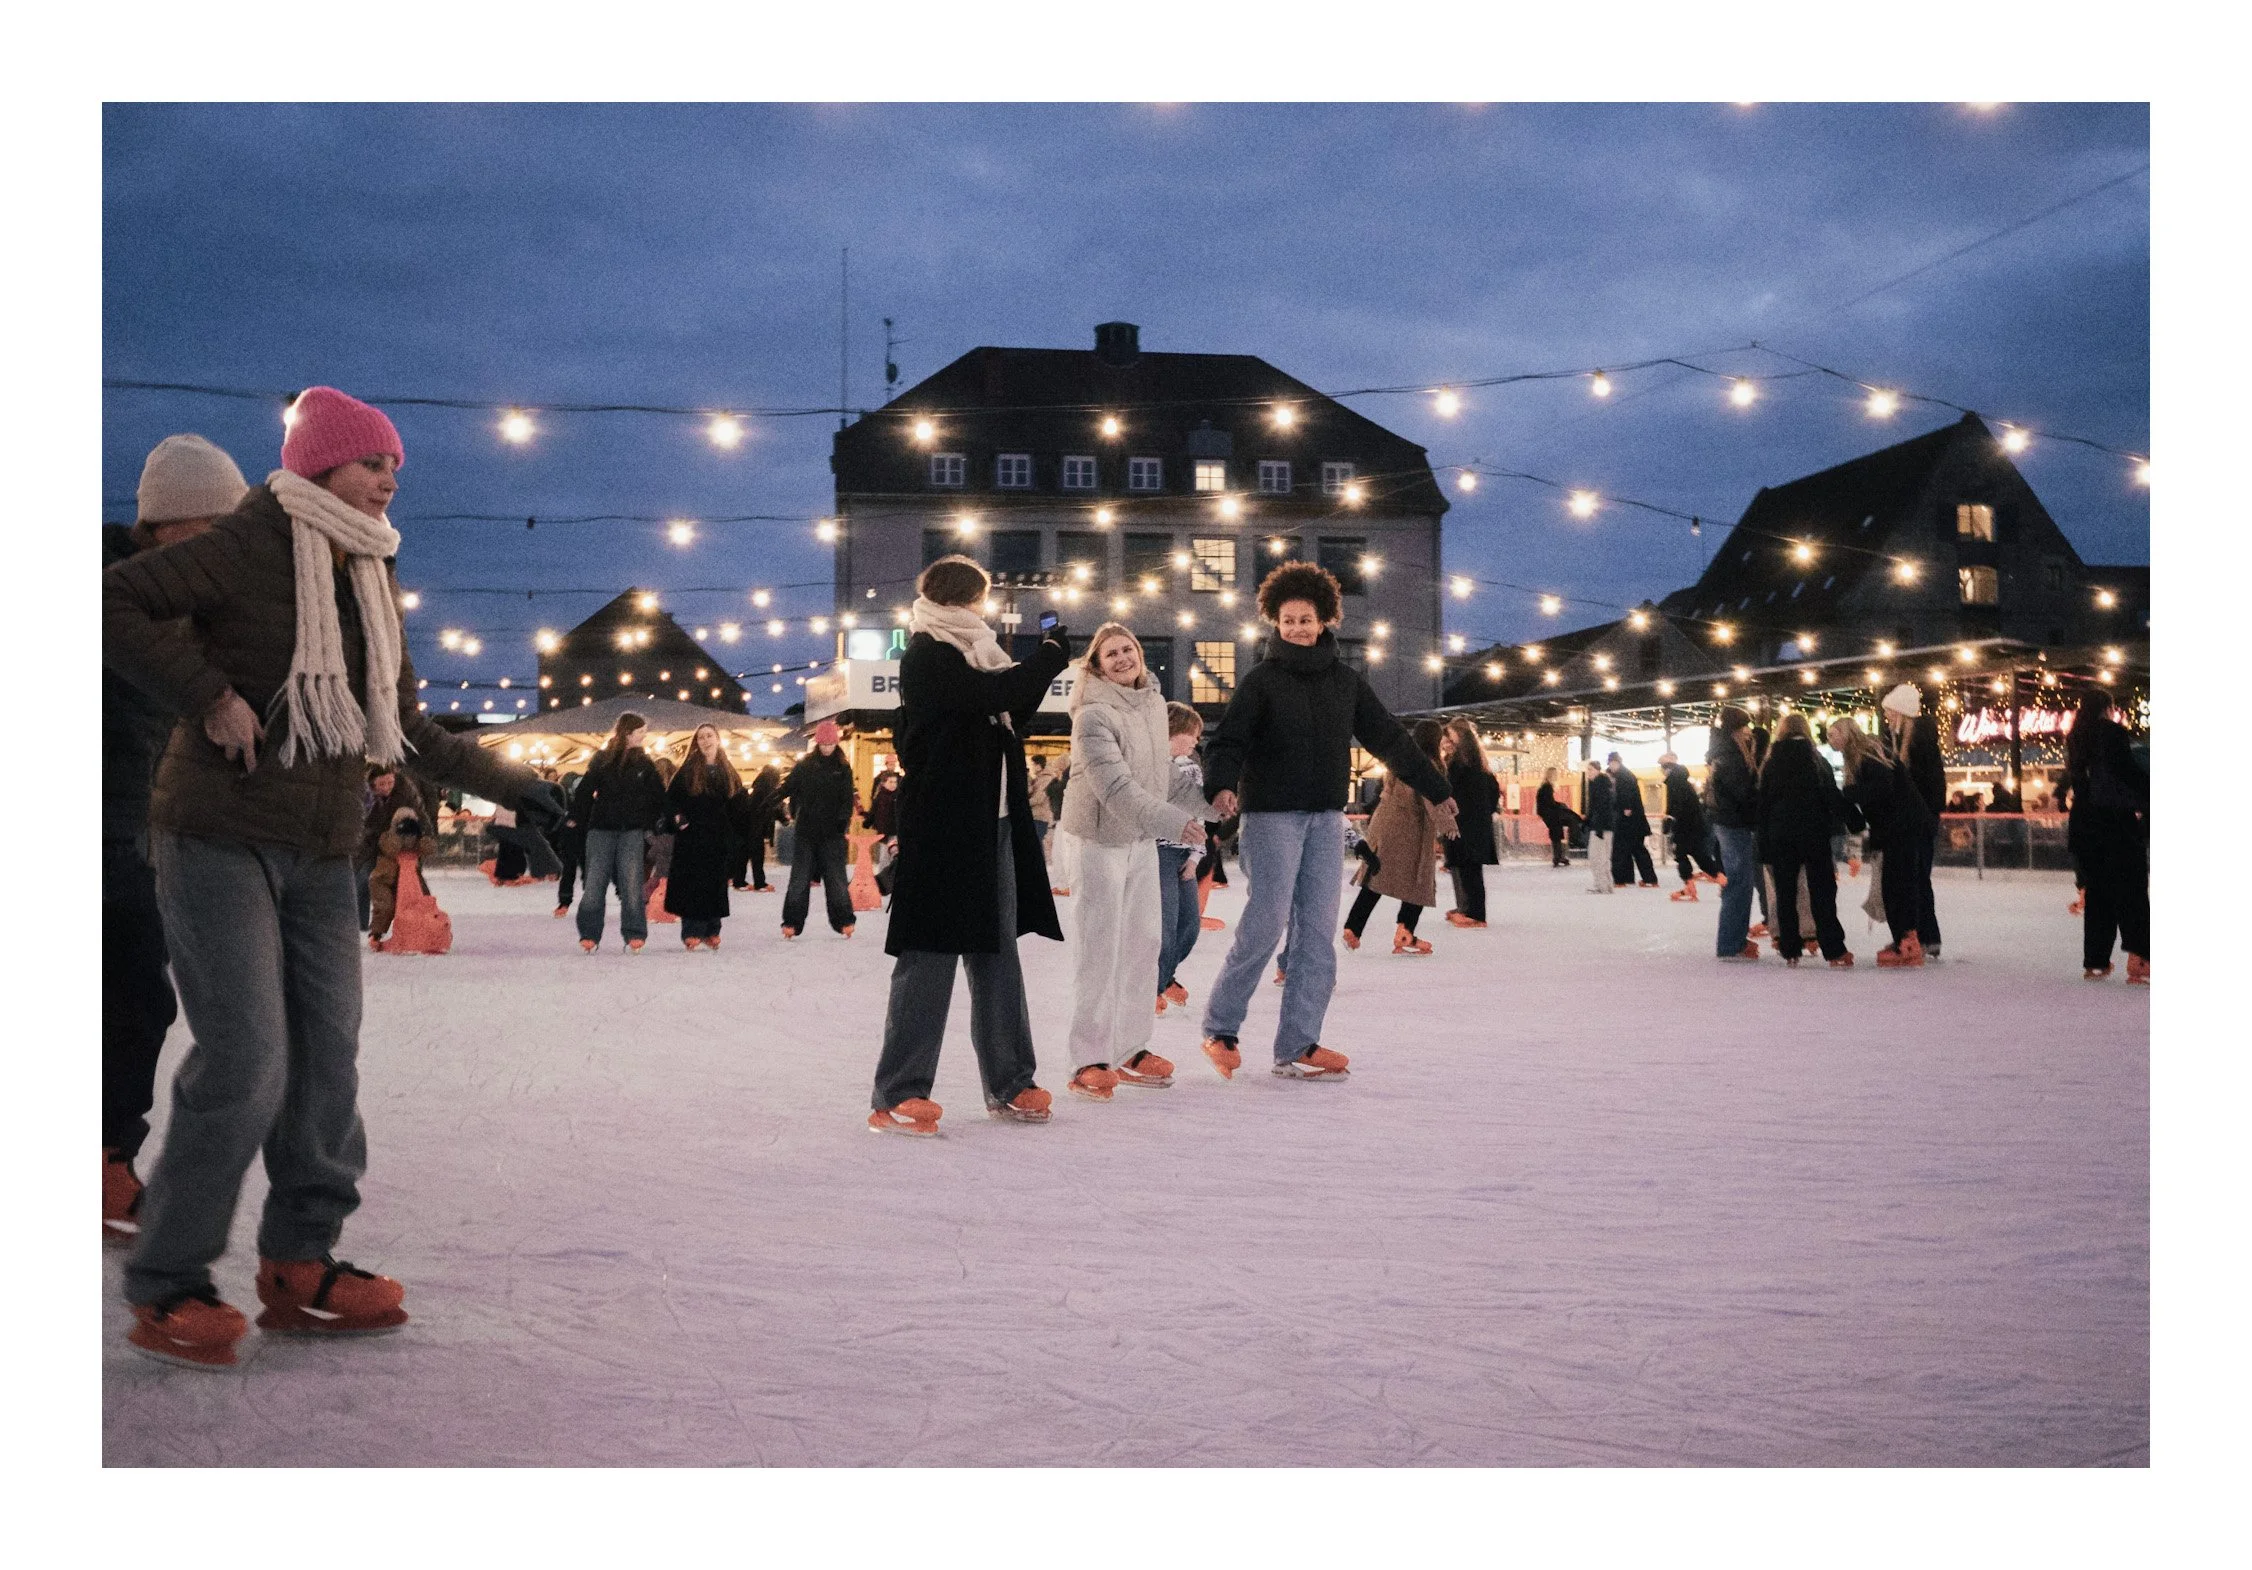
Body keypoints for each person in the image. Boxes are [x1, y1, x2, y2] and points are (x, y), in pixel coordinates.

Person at [101, 386, 562, 1369]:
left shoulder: (368, 572)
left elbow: (405, 726)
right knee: (246, 1057)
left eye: (395, 465)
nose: (389, 481)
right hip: (217, 833)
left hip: (320, 847)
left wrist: (515, 786)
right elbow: (111, 600)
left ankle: (299, 1261)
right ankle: (168, 1278)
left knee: (326, 1059)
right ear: (318, 468)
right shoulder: (248, 541)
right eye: (371, 463)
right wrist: (209, 694)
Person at [1196, 561, 1456, 1082]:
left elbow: (1389, 738)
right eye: (1288, 620)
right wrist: (1221, 784)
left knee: (1316, 933)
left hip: (1324, 818)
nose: (1297, 628)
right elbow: (1229, 740)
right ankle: (1220, 1028)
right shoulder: (1261, 681)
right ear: (1275, 622)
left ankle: (1299, 1042)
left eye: (1306, 619)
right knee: (1267, 922)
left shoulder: (1346, 682)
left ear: (1324, 621)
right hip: (1272, 817)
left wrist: (1436, 788)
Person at [103, 433, 250, 1244]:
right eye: (208, 532)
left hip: (136, 829)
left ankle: (102, 1153)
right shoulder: (107, 593)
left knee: (136, 996)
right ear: (161, 525)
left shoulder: (195, 611)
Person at [868, 557, 1069, 1134]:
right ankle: (899, 1092)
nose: (971, 609)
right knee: (929, 955)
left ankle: (1012, 1082)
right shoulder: (927, 654)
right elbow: (989, 693)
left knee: (997, 955)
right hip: (942, 826)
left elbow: (1013, 707)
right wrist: (1049, 656)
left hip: (995, 823)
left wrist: (1038, 667)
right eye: (967, 599)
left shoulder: (982, 650)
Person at [1056, 625, 1209, 1101]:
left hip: (1140, 840)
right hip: (1097, 839)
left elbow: (1162, 777)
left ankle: (1130, 1048)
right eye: (1111, 654)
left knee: (1144, 944)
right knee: (1099, 947)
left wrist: (1212, 804)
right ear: (1097, 666)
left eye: (1128, 649)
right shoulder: (1092, 715)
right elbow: (1116, 787)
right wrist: (1174, 822)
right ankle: (1089, 1058)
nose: (1123, 658)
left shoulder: (1152, 706)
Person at [1345, 719, 1458, 953]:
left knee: (1376, 876)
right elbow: (1430, 796)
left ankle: (1353, 928)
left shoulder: (1399, 760)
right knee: (1419, 881)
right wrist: (1448, 823)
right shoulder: (1428, 765)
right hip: (1410, 830)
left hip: (1384, 825)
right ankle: (1405, 932)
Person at [1832, 713, 1934, 968]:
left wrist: (1849, 794)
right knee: (1896, 885)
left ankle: (1907, 942)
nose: (1829, 739)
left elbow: (1883, 787)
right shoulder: (1862, 756)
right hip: (1897, 827)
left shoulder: (1868, 754)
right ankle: (1905, 938)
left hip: (1902, 827)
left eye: (1833, 734)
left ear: (1846, 733)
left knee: (1897, 885)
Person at [1755, 713, 1853, 967]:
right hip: (1814, 833)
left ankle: (1790, 949)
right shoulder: (1816, 760)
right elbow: (1831, 796)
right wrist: (1853, 821)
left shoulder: (1771, 763)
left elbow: (1763, 805)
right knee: (1822, 891)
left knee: (1785, 893)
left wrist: (1763, 844)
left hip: (1781, 835)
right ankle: (1834, 948)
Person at [2065, 690, 2148, 983]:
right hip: (2114, 822)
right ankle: (2141, 960)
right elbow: (2127, 772)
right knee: (2131, 890)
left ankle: (2096, 962)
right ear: (2107, 708)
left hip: (2084, 823)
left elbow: (2079, 782)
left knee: (2098, 892)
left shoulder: (2075, 737)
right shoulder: (2112, 733)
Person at [575, 711, 666, 953]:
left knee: (632, 883)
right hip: (601, 829)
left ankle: (634, 932)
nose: (644, 736)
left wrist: (653, 820)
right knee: (595, 883)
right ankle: (589, 933)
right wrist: (575, 818)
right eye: (640, 732)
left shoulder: (644, 763)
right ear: (627, 733)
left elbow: (658, 795)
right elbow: (585, 790)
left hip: (631, 831)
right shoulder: (602, 759)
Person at [1882, 683, 1946, 961]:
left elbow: (1930, 787)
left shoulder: (1919, 742)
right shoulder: (1905, 740)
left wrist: (1925, 816)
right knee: (1918, 879)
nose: (1887, 717)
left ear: (1901, 711)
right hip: (1917, 821)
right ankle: (1926, 935)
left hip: (1918, 822)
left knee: (1915, 879)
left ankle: (1920, 936)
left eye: (1890, 711)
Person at [663, 722, 740, 949]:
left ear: (717, 739)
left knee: (715, 883)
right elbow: (670, 800)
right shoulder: (688, 770)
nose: (706, 740)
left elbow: (737, 804)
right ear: (696, 743)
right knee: (693, 883)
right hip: (693, 836)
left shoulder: (728, 770)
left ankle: (712, 929)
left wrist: (736, 834)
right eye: (701, 737)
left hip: (718, 837)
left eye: (709, 736)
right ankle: (692, 930)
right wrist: (678, 818)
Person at [779, 719, 859, 939]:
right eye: (823, 744)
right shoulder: (805, 765)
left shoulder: (842, 768)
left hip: (832, 833)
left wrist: (842, 822)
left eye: (830, 744)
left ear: (836, 743)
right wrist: (774, 797)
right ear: (817, 743)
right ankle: (792, 922)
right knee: (799, 878)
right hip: (806, 831)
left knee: (836, 879)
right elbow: (789, 786)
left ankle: (844, 920)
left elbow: (846, 798)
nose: (827, 748)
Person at [1155, 703, 1208, 1014]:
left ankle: (1163, 976)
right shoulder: (1149, 765)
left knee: (1189, 925)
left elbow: (1198, 812)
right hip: (1156, 852)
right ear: (1174, 731)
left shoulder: (1191, 768)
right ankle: (1153, 986)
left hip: (1183, 853)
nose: (1196, 741)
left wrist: (1195, 856)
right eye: (1192, 734)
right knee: (1164, 926)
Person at [1708, 706, 1762, 961]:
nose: (1749, 732)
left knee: (1740, 881)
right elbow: (1741, 792)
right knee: (1740, 882)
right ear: (1735, 730)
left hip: (1729, 822)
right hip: (1733, 823)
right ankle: (1730, 942)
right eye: (1745, 727)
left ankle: (1734, 939)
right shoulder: (1730, 756)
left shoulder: (1723, 751)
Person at [1441, 719, 1500, 927]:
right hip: (1464, 822)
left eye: (1450, 737)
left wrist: (1479, 814)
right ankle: (1464, 907)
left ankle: (1475, 913)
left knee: (1469, 867)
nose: (1446, 741)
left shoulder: (1467, 764)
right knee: (1459, 864)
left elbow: (1488, 792)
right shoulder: (1463, 763)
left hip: (1469, 824)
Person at [1659, 751, 1720, 900]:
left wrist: (1670, 820)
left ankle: (1692, 886)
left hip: (1684, 827)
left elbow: (1676, 806)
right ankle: (1720, 880)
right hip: (1693, 826)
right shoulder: (1682, 781)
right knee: (1698, 856)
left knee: (1683, 855)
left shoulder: (1674, 783)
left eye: (1662, 767)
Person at [1607, 753, 1658, 887]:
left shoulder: (1623, 777)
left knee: (1621, 849)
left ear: (1616, 762)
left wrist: (1626, 808)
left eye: (1611, 763)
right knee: (1636, 849)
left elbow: (1626, 795)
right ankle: (1647, 878)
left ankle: (1621, 879)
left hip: (1628, 821)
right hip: (1635, 822)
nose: (1610, 767)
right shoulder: (1626, 775)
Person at [730, 760, 782, 891]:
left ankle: (739, 881)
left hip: (746, 826)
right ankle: (759, 883)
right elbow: (767, 810)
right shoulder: (766, 790)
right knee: (757, 855)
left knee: (744, 854)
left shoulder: (758, 788)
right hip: (755, 827)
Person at [1583, 759, 1616, 894]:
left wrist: (1597, 826)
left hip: (1600, 826)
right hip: (1607, 826)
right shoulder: (1606, 785)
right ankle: (1607, 884)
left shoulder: (1598, 785)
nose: (1588, 773)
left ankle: (1601, 885)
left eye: (1590, 770)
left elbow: (1600, 808)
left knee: (1596, 856)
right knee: (1604, 857)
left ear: (1597, 770)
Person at [1535, 766, 1575, 867]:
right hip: (1550, 813)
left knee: (1556, 833)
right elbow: (1550, 803)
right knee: (1557, 832)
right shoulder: (1547, 787)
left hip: (1546, 813)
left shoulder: (1544, 786)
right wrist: (1561, 805)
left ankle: (1558, 856)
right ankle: (1558, 856)